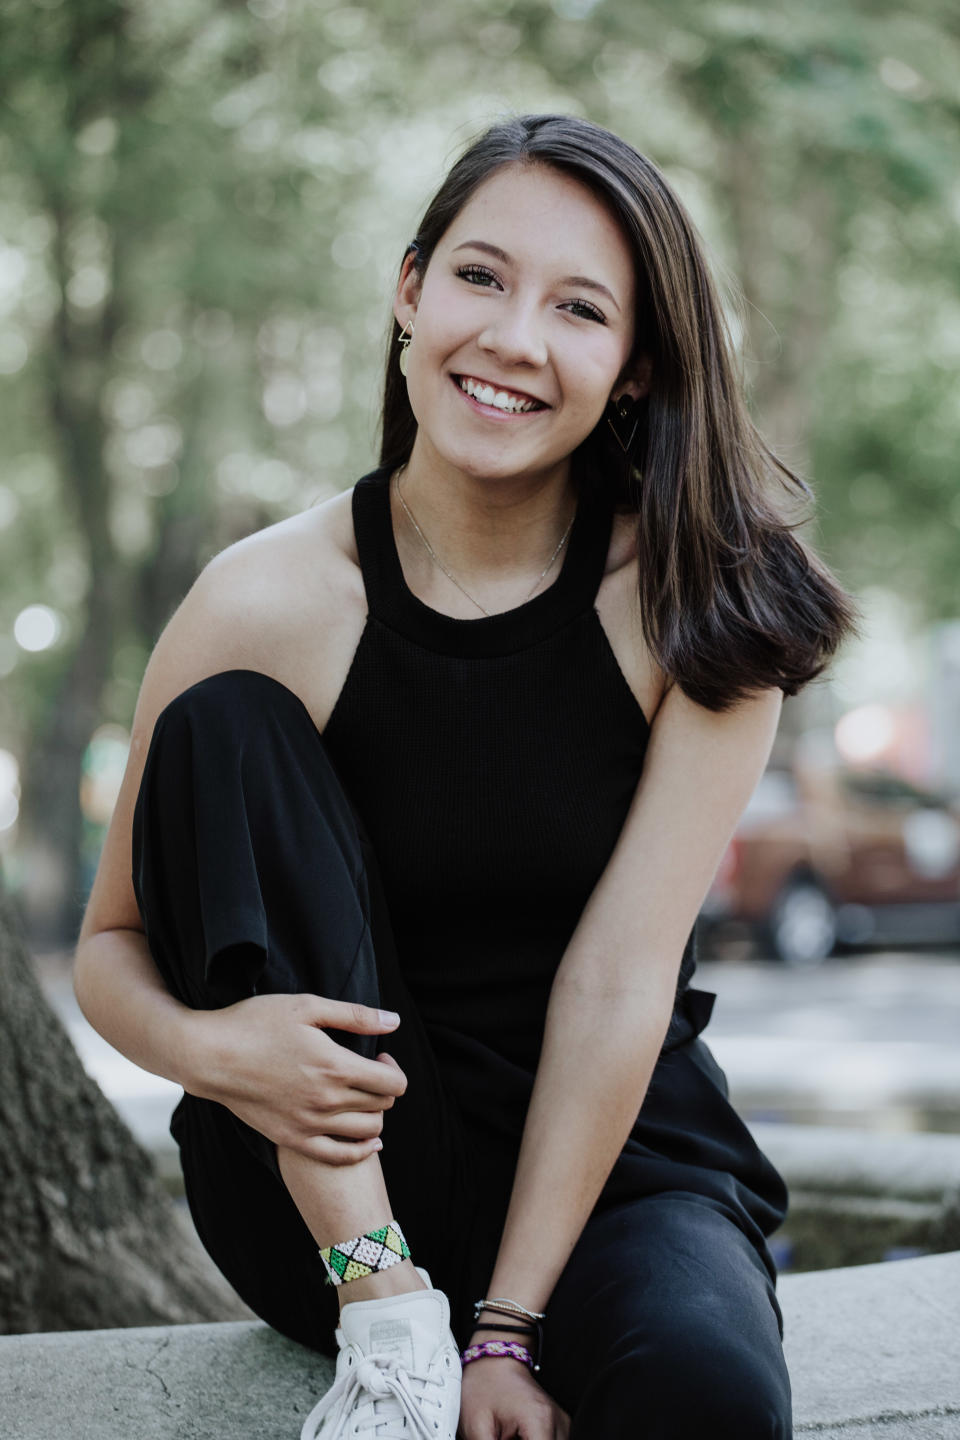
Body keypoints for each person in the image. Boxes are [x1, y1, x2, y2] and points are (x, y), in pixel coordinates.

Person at [75, 112, 859, 1440]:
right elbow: (110, 948)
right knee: (227, 724)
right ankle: (388, 1347)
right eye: (481, 278)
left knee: (704, 1394)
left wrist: (509, 1328)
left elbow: (619, 989)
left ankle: (469, 1330)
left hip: (617, 1163)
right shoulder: (261, 599)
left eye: (578, 308)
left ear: (632, 370)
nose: (512, 338)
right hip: (329, 1189)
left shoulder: (698, 612)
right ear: (409, 290)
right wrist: (218, 1052)